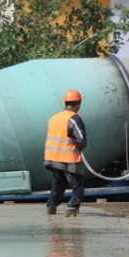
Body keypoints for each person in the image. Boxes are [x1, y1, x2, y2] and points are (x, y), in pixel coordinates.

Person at [44, 89, 87, 217]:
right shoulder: (74, 118)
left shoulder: (54, 118)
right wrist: (80, 144)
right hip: (68, 159)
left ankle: (51, 207)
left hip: (53, 158)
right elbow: (81, 140)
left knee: (58, 184)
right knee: (78, 187)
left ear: (66, 103)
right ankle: (71, 208)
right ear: (78, 103)